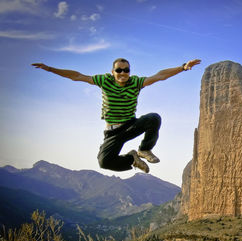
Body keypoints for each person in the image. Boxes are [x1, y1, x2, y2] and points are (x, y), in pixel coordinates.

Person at [32, 58, 201, 173]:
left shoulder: (135, 82)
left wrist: (183, 67)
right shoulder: (104, 80)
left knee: (153, 118)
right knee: (104, 162)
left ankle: (144, 149)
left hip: (130, 125)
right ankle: (132, 158)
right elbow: (76, 76)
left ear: (129, 71)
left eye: (126, 70)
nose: (123, 73)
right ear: (112, 71)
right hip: (112, 132)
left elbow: (160, 76)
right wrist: (49, 69)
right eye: (119, 70)